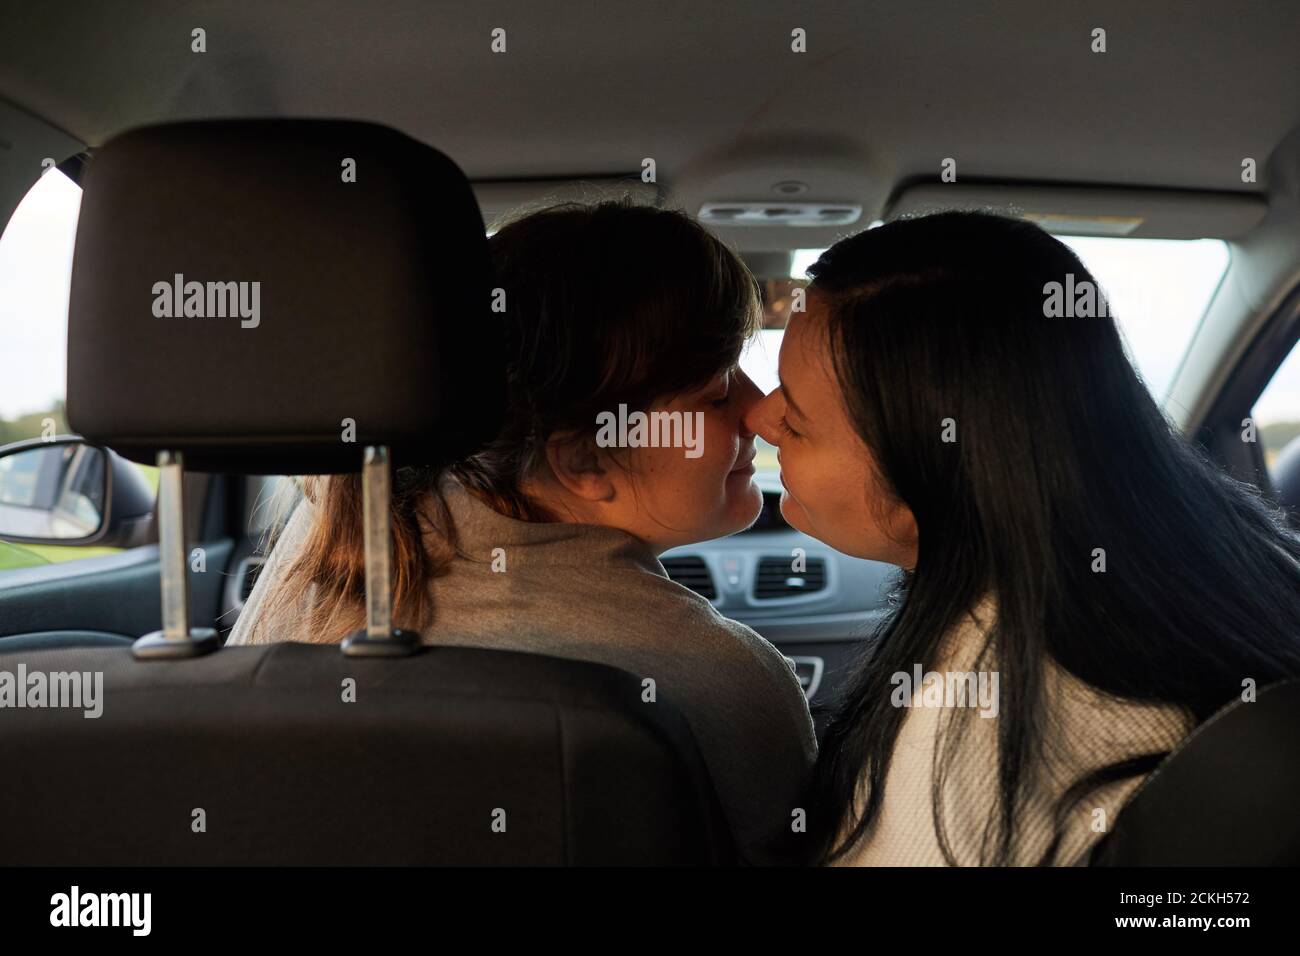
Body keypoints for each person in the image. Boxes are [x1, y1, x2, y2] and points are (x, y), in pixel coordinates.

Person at [229, 201, 816, 864]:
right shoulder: (719, 678)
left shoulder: (325, 542)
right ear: (587, 461)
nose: (764, 408)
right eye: (716, 393)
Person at [744, 211, 1300, 866]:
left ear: (936, 469)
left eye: (799, 421)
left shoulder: (979, 730)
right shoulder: (1242, 558)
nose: (758, 415)